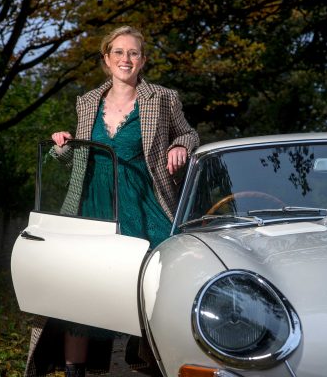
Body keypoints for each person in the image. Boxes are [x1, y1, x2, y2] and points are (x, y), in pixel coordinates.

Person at [24, 26, 199, 377]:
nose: (126, 59)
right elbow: (79, 157)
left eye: (133, 53)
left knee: (156, 283)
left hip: (144, 202)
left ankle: (155, 363)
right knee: (79, 288)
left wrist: (181, 146)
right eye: (118, 52)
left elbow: (189, 132)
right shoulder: (88, 102)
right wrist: (63, 145)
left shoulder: (162, 98)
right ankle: (76, 370)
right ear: (106, 59)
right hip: (92, 205)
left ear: (143, 60)